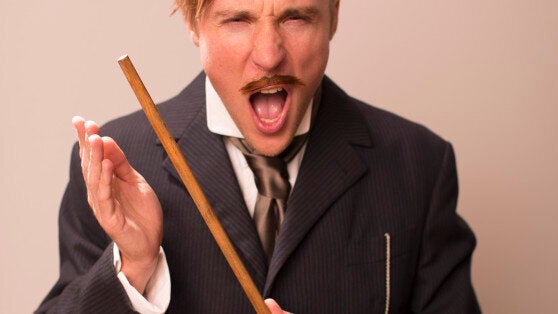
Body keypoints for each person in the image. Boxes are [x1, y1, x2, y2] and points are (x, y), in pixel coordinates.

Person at [37, 0, 480, 312]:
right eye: (238, 20)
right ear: (193, 23)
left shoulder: (418, 163)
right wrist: (133, 268)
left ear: (334, 15)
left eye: (296, 17)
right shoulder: (119, 161)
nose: (269, 56)